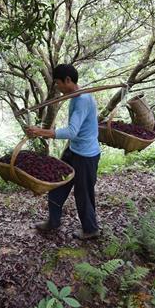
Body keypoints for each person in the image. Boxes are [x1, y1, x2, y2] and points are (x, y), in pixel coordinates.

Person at [25, 64, 101, 240]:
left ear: (68, 80)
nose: (57, 88)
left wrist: (42, 132)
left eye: (58, 83)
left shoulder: (82, 100)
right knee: (57, 184)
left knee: (84, 194)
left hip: (86, 155)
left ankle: (91, 229)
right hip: (73, 150)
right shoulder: (75, 96)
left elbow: (72, 131)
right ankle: (53, 221)